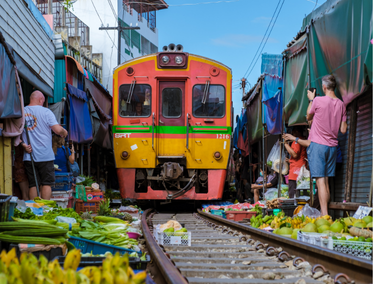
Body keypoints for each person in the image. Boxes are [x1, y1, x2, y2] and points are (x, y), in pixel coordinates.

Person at [283, 75, 347, 216]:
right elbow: (343, 130)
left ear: (324, 87)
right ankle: (326, 214)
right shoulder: (341, 104)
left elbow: (308, 116)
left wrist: (311, 99)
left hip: (318, 146)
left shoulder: (318, 100)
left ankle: (324, 216)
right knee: (326, 182)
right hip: (332, 147)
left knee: (320, 181)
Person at [21, 91, 68, 200]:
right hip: (45, 155)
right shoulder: (46, 112)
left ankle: (34, 209)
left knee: (33, 184)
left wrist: (23, 144)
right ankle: (45, 210)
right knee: (46, 183)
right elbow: (57, 130)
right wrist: (64, 132)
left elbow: (15, 132)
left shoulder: (22, 112)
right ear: (41, 100)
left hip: (29, 156)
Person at [283, 126, 307, 198]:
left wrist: (285, 144)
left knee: (293, 196)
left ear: (296, 132)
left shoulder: (297, 141)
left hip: (295, 173)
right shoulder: (303, 140)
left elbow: (294, 154)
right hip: (300, 171)